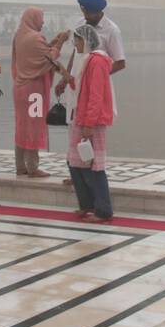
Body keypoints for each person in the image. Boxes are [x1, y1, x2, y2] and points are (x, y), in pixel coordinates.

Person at [57, 23, 116, 221]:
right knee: (75, 162)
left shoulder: (97, 61)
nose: (75, 44)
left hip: (92, 121)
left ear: (87, 40)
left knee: (93, 166)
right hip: (80, 117)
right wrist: (65, 76)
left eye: (77, 40)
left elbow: (96, 96)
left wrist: (89, 124)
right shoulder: (86, 60)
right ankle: (87, 205)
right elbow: (80, 88)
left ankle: (103, 209)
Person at [11, 7, 68, 177]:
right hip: (33, 92)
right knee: (34, 126)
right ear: (34, 19)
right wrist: (61, 42)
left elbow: (40, 53)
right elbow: (50, 58)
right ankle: (33, 167)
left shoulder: (20, 36)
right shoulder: (35, 38)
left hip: (20, 88)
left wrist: (52, 42)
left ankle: (20, 166)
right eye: (41, 18)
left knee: (22, 126)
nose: (43, 21)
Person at [73, 0, 126, 75]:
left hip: (96, 83)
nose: (85, 17)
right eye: (84, 13)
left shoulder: (112, 30)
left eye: (88, 14)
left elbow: (120, 63)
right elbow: (75, 52)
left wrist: (97, 76)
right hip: (76, 80)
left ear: (98, 12)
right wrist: (66, 78)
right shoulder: (80, 23)